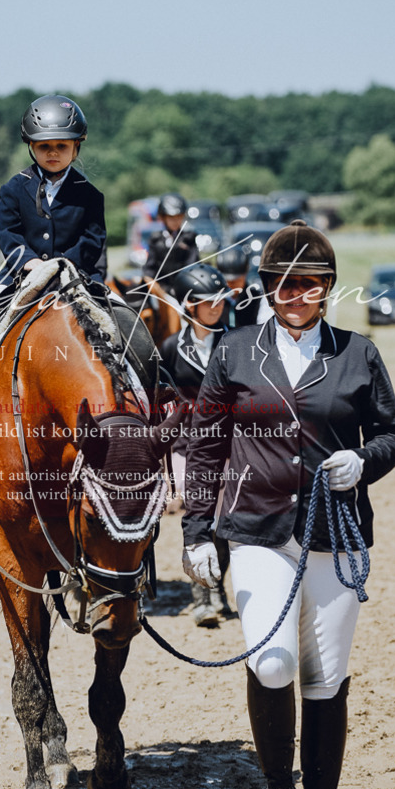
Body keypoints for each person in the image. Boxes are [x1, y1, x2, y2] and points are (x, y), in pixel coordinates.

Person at [181, 220, 395, 789]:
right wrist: (198, 533)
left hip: (335, 536)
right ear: (268, 288)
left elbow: (392, 436)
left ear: (327, 289)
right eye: (282, 284)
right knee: (272, 662)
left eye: (308, 284)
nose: (295, 294)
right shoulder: (234, 352)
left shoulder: (358, 353)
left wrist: (364, 462)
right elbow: (204, 449)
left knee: (325, 679)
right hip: (257, 532)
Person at [159, 263, 234, 625]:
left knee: (224, 522)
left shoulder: (237, 342)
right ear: (190, 305)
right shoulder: (172, 348)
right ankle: (203, 595)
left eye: (220, 299)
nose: (216, 306)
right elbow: (164, 403)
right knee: (198, 514)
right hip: (186, 448)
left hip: (232, 446)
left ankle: (218, 588)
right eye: (208, 301)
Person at [0, 95, 106, 300]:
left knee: (122, 313)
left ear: (76, 146)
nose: (53, 153)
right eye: (44, 146)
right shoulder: (13, 189)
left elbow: (92, 240)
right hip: (22, 275)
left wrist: (63, 265)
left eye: (62, 146)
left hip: (77, 275)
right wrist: (29, 261)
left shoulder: (91, 195)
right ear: (32, 146)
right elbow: (7, 231)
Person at [144, 193, 199, 298]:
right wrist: (153, 285)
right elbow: (150, 267)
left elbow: (192, 263)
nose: (176, 221)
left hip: (184, 289)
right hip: (161, 290)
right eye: (172, 217)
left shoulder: (189, 238)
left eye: (179, 217)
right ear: (163, 217)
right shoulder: (155, 240)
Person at [216, 245, 266, 327]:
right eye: (227, 281)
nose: (231, 285)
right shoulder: (213, 299)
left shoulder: (257, 300)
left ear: (246, 273)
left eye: (237, 281)